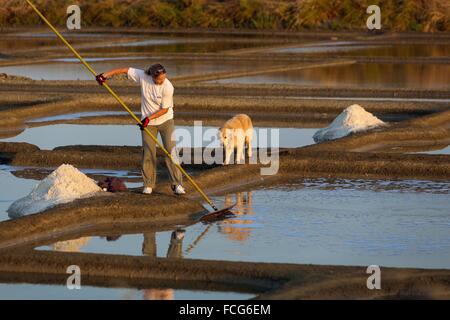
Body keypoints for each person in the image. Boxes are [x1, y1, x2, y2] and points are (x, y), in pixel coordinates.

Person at [96, 64, 185, 195]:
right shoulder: (143, 76)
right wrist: (104, 76)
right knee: (148, 153)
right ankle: (148, 184)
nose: (162, 80)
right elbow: (124, 69)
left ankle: (177, 185)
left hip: (165, 121)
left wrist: (148, 119)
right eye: (160, 79)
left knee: (171, 152)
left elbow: (164, 110)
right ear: (152, 76)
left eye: (164, 77)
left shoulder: (168, 87)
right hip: (147, 123)